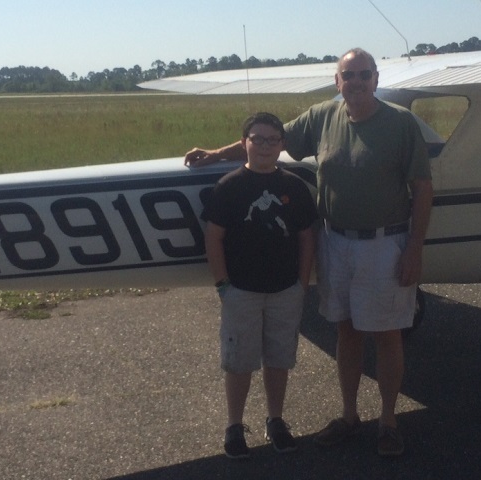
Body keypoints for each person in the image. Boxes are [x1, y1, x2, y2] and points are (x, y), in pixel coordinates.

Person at [186, 48, 434, 457]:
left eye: (364, 74)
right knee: (347, 330)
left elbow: (422, 188)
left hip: (384, 243)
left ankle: (389, 421)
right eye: (348, 75)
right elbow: (271, 138)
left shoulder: (401, 123)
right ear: (337, 82)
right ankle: (349, 415)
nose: (356, 82)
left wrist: (414, 249)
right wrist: (216, 154)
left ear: (376, 78)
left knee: (388, 334)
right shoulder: (323, 116)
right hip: (335, 240)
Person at [203, 112, 317, 459]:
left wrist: (301, 284)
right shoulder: (229, 186)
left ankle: (276, 420)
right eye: (257, 139)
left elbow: (307, 238)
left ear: (281, 145)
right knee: (239, 361)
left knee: (279, 359)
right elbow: (214, 237)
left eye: (272, 140)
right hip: (242, 290)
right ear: (244, 143)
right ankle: (234, 425)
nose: (265, 146)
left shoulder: (294, 186)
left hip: (285, 289)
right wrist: (223, 285)